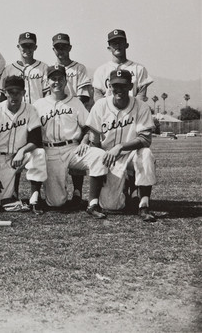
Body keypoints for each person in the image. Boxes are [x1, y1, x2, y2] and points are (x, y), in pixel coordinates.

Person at [32, 65, 107, 215]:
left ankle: (93, 203)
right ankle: (46, 194)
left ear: (66, 81)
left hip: (72, 149)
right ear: (47, 82)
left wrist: (85, 142)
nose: (57, 82)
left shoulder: (75, 103)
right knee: (56, 203)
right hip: (50, 150)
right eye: (53, 78)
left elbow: (88, 126)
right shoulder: (38, 105)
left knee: (100, 156)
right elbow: (33, 132)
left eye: (60, 78)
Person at [86, 69, 157, 222]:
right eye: (115, 86)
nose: (119, 89)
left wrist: (121, 146)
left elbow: (145, 139)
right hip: (107, 154)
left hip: (131, 154)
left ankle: (144, 205)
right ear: (109, 86)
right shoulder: (100, 105)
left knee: (146, 154)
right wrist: (101, 168)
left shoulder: (141, 106)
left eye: (123, 86)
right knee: (112, 206)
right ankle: (94, 203)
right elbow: (95, 140)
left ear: (130, 86)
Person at [0, 75, 47, 211]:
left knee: (39, 153)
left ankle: (34, 197)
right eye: (10, 92)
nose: (14, 96)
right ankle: (8, 194)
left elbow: (36, 140)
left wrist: (22, 151)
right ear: (5, 93)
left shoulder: (30, 109)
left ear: (24, 93)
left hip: (20, 156)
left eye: (18, 92)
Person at [52, 33, 94, 206]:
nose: (61, 50)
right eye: (57, 47)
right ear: (53, 49)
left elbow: (84, 96)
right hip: (56, 116)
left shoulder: (79, 68)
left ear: (69, 48)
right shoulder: (50, 69)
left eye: (64, 46)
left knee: (77, 152)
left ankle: (77, 192)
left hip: (75, 113)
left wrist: (71, 108)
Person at [93, 29, 153, 102]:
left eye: (120, 42)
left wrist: (132, 109)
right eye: (114, 43)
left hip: (132, 111)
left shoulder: (139, 69)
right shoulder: (101, 70)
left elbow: (141, 96)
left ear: (126, 45)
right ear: (109, 48)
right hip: (108, 111)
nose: (117, 45)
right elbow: (97, 96)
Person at [0, 32, 48, 104]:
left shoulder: (43, 67)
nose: (27, 49)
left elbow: (47, 93)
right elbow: (2, 94)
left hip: (37, 110)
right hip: (16, 111)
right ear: (18, 47)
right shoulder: (9, 69)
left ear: (35, 47)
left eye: (30, 45)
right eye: (24, 46)